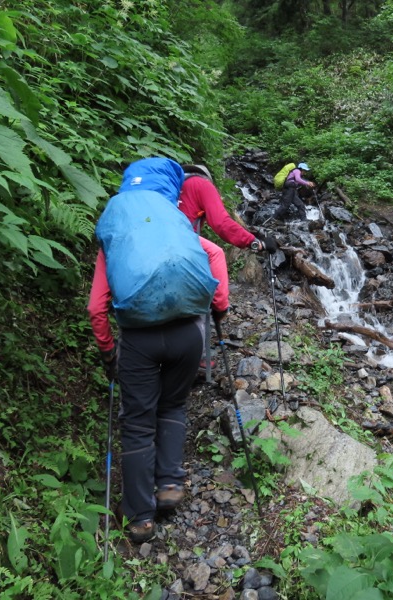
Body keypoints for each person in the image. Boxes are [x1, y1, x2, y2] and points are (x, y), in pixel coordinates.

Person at [88, 159, 230, 543]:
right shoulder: (176, 221)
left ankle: (139, 518)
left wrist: (107, 353)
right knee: (173, 405)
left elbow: (96, 307)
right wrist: (219, 306)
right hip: (188, 334)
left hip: (139, 338)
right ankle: (169, 485)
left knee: (136, 424)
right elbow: (212, 258)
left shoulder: (116, 229)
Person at [178, 164, 278, 253]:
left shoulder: (175, 185)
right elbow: (221, 223)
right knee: (217, 254)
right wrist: (255, 243)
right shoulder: (203, 184)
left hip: (165, 236)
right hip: (182, 241)